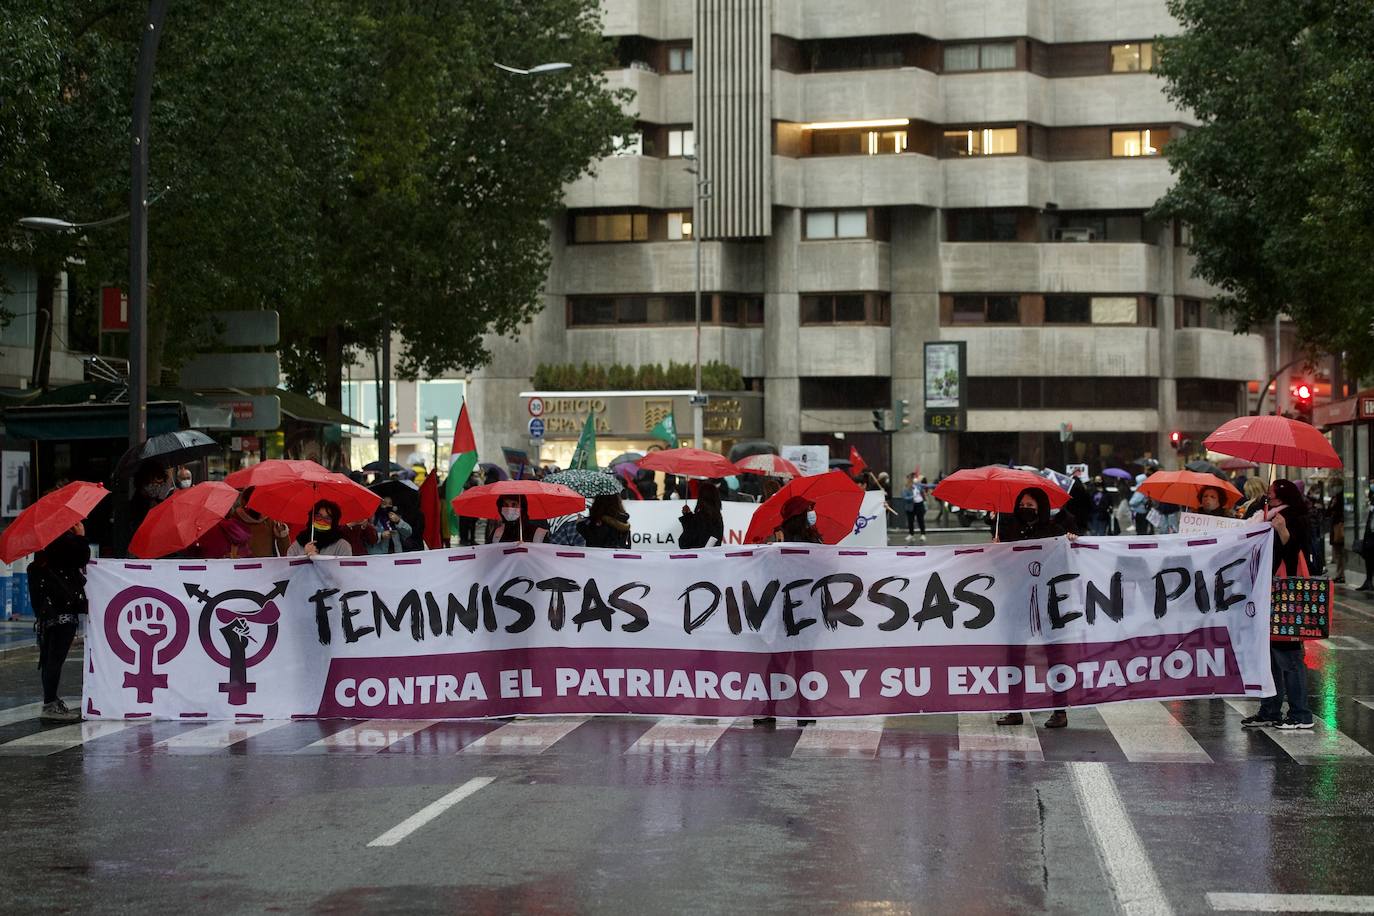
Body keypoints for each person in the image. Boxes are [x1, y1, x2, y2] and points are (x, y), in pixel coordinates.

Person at [995, 487, 1077, 730]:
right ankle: (1014, 709)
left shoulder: (1053, 531)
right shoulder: (1008, 531)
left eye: (1031, 506)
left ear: (1041, 508)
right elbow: (1000, 569)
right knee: (1014, 655)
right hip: (1016, 602)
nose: (1026, 510)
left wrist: (1071, 541)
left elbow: (1065, 563)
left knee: (1054, 654)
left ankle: (1059, 710)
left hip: (1047, 602)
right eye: (1022, 505)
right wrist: (995, 550)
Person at [1242, 479, 1315, 729]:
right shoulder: (1267, 515)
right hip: (1268, 590)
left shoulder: (1294, 517)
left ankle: (1300, 714)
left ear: (1283, 495)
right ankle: (1270, 710)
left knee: (1289, 654)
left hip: (1286, 592)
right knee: (1269, 653)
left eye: (1272, 494)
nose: (1268, 496)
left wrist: (1282, 530)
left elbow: (1296, 552)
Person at [29, 521, 90, 722]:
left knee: (49, 659)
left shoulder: (42, 551)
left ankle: (51, 700)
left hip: (48, 615)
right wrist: (81, 535)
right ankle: (49, 704)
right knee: (55, 659)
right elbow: (83, 558)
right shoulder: (63, 544)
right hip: (63, 612)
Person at [286, 500, 354, 557]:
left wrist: (318, 560)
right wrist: (304, 556)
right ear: (312, 518)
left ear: (334, 522)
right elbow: (289, 569)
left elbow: (344, 571)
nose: (322, 521)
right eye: (318, 516)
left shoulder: (342, 546)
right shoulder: (299, 543)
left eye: (327, 518)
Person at [678, 481, 724, 549]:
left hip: (697, 558)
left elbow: (685, 542)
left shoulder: (699, 518)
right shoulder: (717, 518)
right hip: (712, 557)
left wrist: (687, 518)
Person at [1326, 484, 1344, 583]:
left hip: (1339, 529)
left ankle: (1341, 574)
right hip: (1335, 529)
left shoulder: (1339, 498)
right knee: (1338, 553)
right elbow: (1328, 512)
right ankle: (1340, 573)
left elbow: (1333, 511)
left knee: (1340, 553)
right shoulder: (1334, 498)